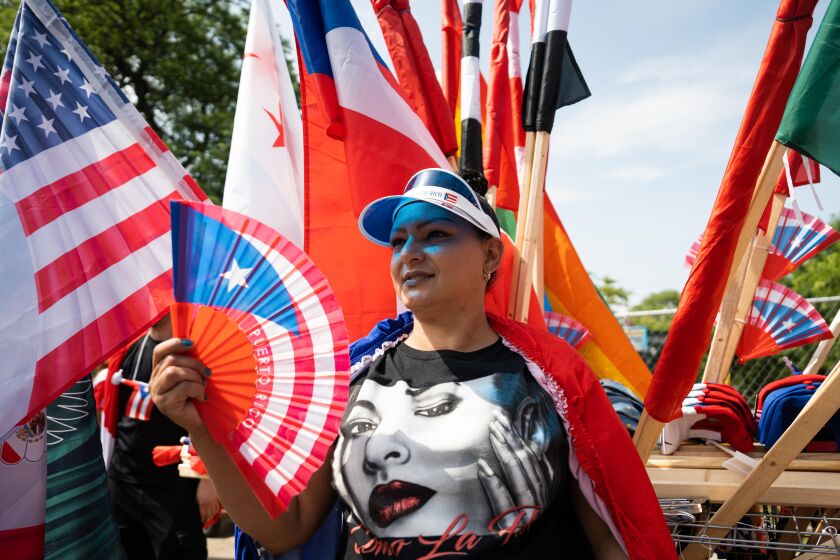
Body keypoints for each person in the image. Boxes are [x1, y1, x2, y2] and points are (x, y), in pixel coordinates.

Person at [150, 168, 674, 559]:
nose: (409, 253)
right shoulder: (348, 377)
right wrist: (206, 434)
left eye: (436, 235)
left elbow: (610, 530)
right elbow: (287, 529)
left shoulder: (552, 378)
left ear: (490, 256)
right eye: (399, 241)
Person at [107, 314, 220, 560]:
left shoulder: (194, 353)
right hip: (122, 481)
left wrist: (209, 477)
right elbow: (112, 412)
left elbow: (216, 418)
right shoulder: (129, 347)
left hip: (171, 488)